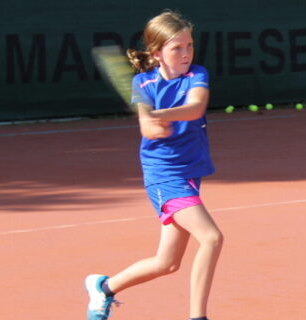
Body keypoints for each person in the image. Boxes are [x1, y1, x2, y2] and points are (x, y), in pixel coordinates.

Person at [85, 10, 222, 320]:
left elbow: (195, 107)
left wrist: (160, 115)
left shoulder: (196, 75)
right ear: (157, 53)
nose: (186, 53)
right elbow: (147, 130)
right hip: (164, 175)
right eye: (177, 48)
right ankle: (197, 317)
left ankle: (103, 288)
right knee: (212, 238)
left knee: (167, 263)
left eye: (189, 45)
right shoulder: (142, 84)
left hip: (189, 173)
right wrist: (153, 121)